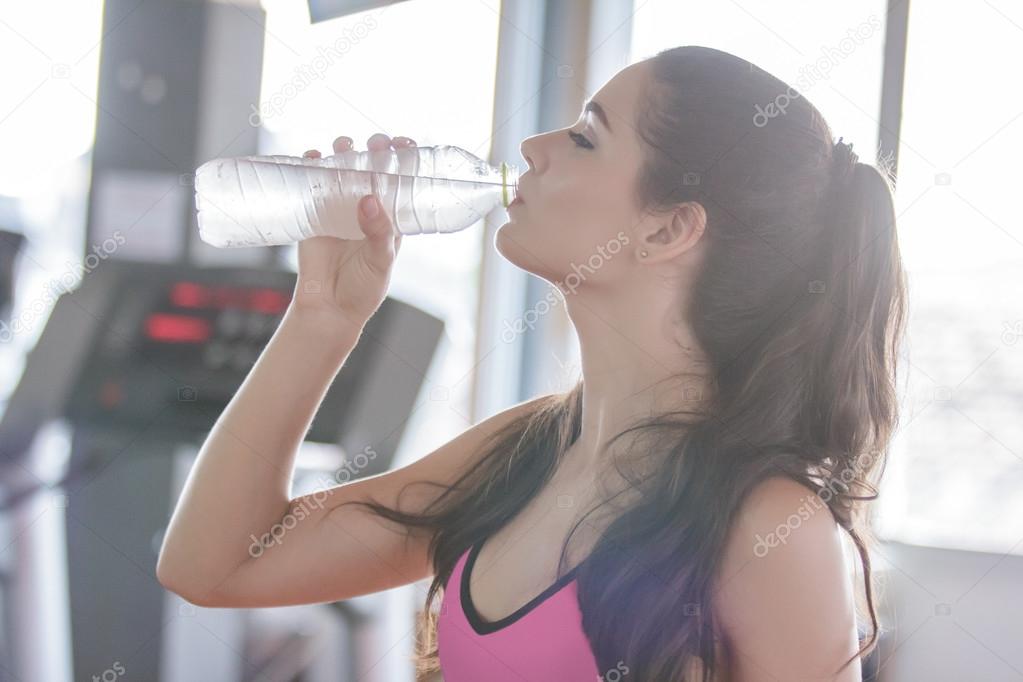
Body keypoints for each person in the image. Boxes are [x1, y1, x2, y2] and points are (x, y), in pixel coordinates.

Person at [158, 45, 908, 681]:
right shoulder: (522, 454)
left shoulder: (771, 528)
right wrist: (323, 313)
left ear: (669, 227)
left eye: (585, 137)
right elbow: (215, 566)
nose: (531, 148)